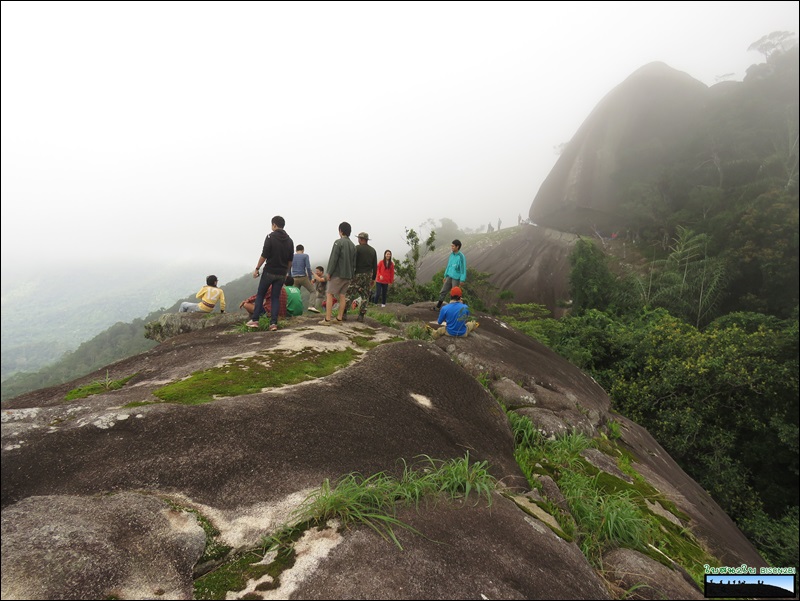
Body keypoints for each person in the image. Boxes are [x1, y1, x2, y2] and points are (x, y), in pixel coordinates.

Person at [247, 215, 294, 332]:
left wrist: (257, 268)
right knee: (275, 297)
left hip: (269, 271)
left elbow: (264, 255)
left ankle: (255, 320)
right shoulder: (290, 240)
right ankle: (273, 323)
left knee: (261, 294)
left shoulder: (270, 237)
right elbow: (290, 260)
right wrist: (286, 272)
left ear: (274, 225)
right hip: (281, 273)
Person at [320, 222, 356, 325]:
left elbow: (333, 259)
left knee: (329, 294)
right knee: (342, 296)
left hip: (338, 274)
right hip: (348, 275)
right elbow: (354, 263)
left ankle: (327, 319)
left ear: (340, 231)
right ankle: (339, 318)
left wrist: (329, 272)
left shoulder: (338, 242)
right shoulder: (353, 246)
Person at [348, 232, 377, 322]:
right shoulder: (373, 250)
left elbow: (352, 262)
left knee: (349, 293)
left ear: (360, 239)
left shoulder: (357, 249)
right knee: (365, 296)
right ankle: (361, 315)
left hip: (357, 274)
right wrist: (373, 278)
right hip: (368, 275)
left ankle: (344, 312)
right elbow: (375, 266)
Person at [434, 239, 467, 310]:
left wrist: (462, 279)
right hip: (449, 276)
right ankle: (438, 307)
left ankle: (453, 310)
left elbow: (463, 269)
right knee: (443, 291)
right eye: (451, 246)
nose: (451, 247)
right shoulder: (451, 255)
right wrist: (445, 275)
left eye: (453, 246)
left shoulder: (461, 256)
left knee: (454, 294)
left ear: (457, 247)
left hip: (456, 277)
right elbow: (448, 265)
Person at [290, 244, 317, 312]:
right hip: (303, 277)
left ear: (296, 250)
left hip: (294, 278)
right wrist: (310, 279)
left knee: (295, 294)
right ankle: (311, 306)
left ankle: (293, 310)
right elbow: (308, 267)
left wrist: (290, 277)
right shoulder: (305, 256)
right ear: (303, 250)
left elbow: (289, 267)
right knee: (313, 291)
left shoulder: (292, 256)